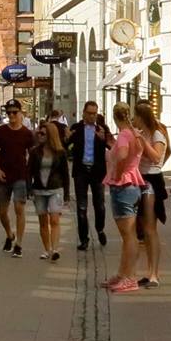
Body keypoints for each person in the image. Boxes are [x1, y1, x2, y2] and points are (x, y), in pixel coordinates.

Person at [103, 104, 151, 294]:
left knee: (128, 236)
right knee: (129, 236)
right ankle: (122, 274)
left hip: (123, 185)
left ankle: (129, 277)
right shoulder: (134, 134)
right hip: (133, 185)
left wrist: (118, 173)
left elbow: (123, 155)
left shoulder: (124, 135)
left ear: (115, 117)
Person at [133, 101, 171, 288]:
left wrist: (141, 141)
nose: (134, 120)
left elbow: (156, 157)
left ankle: (154, 274)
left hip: (152, 181)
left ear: (142, 117)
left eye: (135, 116)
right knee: (143, 230)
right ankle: (149, 272)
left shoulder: (157, 134)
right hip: (140, 179)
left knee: (150, 229)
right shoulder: (143, 133)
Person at [0, 101, 36, 258]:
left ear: (20, 113)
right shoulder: (0, 132)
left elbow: (32, 155)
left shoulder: (27, 134)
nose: (11, 115)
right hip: (4, 175)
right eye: (8, 112)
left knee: (19, 209)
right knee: (2, 211)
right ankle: (10, 234)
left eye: (14, 112)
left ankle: (19, 244)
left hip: (20, 176)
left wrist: (30, 173)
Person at [71, 102, 111, 252]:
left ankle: (100, 229)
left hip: (97, 172)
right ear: (84, 113)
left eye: (95, 113)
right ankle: (84, 239)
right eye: (90, 113)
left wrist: (104, 138)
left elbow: (112, 146)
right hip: (81, 171)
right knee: (81, 207)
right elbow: (65, 144)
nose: (93, 116)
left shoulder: (102, 128)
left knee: (99, 205)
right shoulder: (76, 128)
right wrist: (68, 138)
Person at [32, 112, 67, 261]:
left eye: (43, 134)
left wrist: (66, 194)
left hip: (55, 188)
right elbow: (30, 171)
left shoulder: (60, 152)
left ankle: (55, 249)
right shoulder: (35, 152)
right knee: (43, 221)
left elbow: (65, 173)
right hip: (39, 189)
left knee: (54, 219)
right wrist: (29, 188)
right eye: (39, 133)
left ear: (50, 135)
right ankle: (47, 249)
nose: (40, 136)